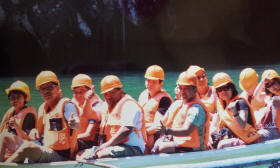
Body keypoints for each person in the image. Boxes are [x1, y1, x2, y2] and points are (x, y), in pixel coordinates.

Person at [4, 70, 80, 163]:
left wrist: (74, 123)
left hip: (61, 155)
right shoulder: (42, 108)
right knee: (5, 137)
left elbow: (75, 121)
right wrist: (33, 131)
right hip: (45, 149)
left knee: (27, 148)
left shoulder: (67, 105)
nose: (46, 91)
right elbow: (37, 135)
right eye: (42, 89)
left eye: (49, 88)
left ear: (58, 87)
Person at [77, 75, 147, 159]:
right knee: (80, 154)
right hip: (110, 147)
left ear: (120, 90)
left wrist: (105, 145)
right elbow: (88, 115)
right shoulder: (105, 106)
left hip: (133, 148)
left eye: (112, 93)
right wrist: (87, 101)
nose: (108, 96)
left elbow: (126, 130)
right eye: (105, 94)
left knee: (101, 154)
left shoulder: (129, 105)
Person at [152, 70, 208, 153]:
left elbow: (186, 131)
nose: (182, 91)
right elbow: (163, 123)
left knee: (163, 147)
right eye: (180, 88)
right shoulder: (178, 104)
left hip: (196, 148)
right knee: (156, 143)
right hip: (180, 142)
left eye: (186, 88)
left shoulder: (196, 108)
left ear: (194, 89)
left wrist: (167, 131)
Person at [210, 72, 259, 149]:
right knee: (210, 143)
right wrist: (210, 135)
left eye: (226, 88)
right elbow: (214, 123)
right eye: (220, 89)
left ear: (232, 88)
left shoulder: (240, 103)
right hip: (229, 136)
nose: (223, 92)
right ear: (217, 92)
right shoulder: (220, 105)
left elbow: (242, 125)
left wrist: (235, 112)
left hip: (247, 140)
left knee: (222, 145)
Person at [0, 81, 37, 162]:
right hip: (8, 149)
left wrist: (16, 126)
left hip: (21, 151)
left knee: (4, 136)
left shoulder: (29, 115)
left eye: (18, 97)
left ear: (25, 98)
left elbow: (27, 139)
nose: (15, 100)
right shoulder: (11, 112)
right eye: (13, 97)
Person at [138, 65, 173, 151]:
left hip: (153, 142)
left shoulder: (165, 100)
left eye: (153, 82)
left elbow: (158, 126)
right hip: (141, 136)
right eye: (148, 80)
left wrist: (142, 131)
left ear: (161, 84)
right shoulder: (143, 95)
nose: (149, 84)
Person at [71, 74, 102, 151]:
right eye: (75, 92)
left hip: (88, 144)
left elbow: (88, 135)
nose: (78, 95)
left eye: (81, 92)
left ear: (91, 90)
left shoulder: (96, 106)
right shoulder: (73, 103)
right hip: (76, 139)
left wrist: (69, 138)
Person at [255, 70, 280, 141]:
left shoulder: (276, 99)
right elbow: (256, 96)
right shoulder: (268, 97)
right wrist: (262, 82)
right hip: (266, 129)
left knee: (253, 138)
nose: (272, 87)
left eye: (274, 83)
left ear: (278, 81)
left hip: (275, 130)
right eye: (269, 85)